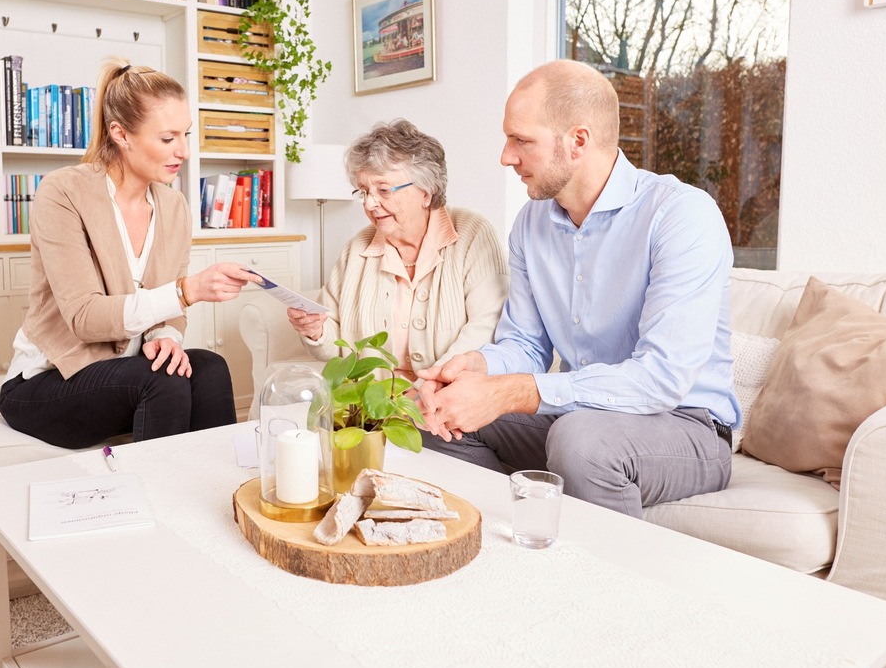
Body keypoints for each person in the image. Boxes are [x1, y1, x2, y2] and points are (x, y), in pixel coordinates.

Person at [416, 60, 740, 518]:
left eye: (521, 140)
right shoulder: (531, 223)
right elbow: (526, 345)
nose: (506, 157)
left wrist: (510, 393)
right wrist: (475, 368)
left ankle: (602, 586)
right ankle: (499, 549)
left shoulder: (682, 215)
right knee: (434, 418)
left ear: (578, 141)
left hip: (686, 425)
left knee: (581, 441)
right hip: (578, 414)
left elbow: (661, 380)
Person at [0, 60, 259, 449]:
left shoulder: (174, 207)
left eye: (185, 135)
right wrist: (187, 290)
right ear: (121, 134)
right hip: (48, 381)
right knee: (162, 381)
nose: (184, 151)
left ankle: (222, 497)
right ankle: (154, 506)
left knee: (209, 368)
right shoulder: (63, 193)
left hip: (127, 374)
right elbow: (85, 318)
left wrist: (167, 336)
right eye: (169, 139)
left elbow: (167, 311)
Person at [286, 119, 508, 382]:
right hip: (371, 404)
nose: (370, 203)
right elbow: (337, 345)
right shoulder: (357, 249)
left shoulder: (472, 234)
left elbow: (487, 326)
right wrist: (315, 331)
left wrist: (431, 385)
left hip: (451, 394)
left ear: (427, 191)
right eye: (364, 191)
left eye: (383, 190)